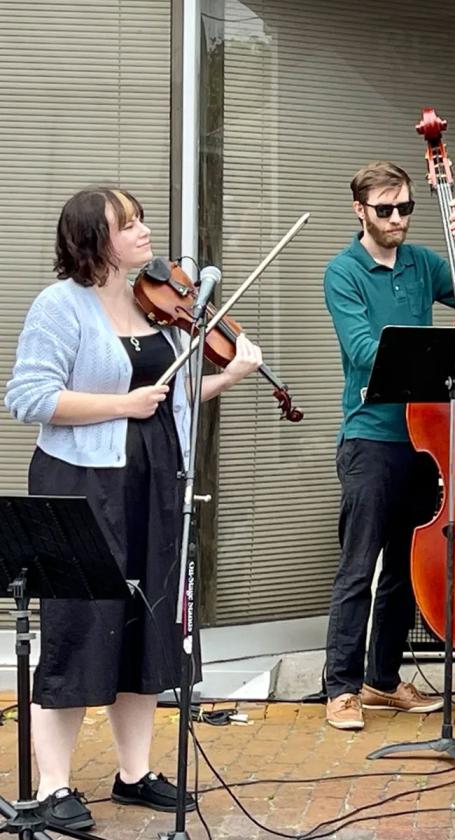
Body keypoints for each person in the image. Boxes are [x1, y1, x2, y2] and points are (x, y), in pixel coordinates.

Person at [5, 187, 264, 830]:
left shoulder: (155, 308)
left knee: (146, 627)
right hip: (81, 486)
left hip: (155, 483)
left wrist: (230, 375)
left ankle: (134, 773)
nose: (146, 233)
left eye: (143, 219)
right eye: (130, 224)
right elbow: (29, 397)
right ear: (95, 240)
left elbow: (168, 400)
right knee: (76, 629)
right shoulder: (59, 305)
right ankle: (55, 786)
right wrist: (121, 406)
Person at [321, 160, 455, 730]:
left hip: (426, 442)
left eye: (405, 208)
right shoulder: (343, 271)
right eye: (385, 210)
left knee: (405, 566)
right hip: (371, 436)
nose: (397, 218)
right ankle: (341, 688)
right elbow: (365, 353)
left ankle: (382, 680)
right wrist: (432, 356)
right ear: (360, 211)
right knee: (359, 567)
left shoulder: (425, 262)